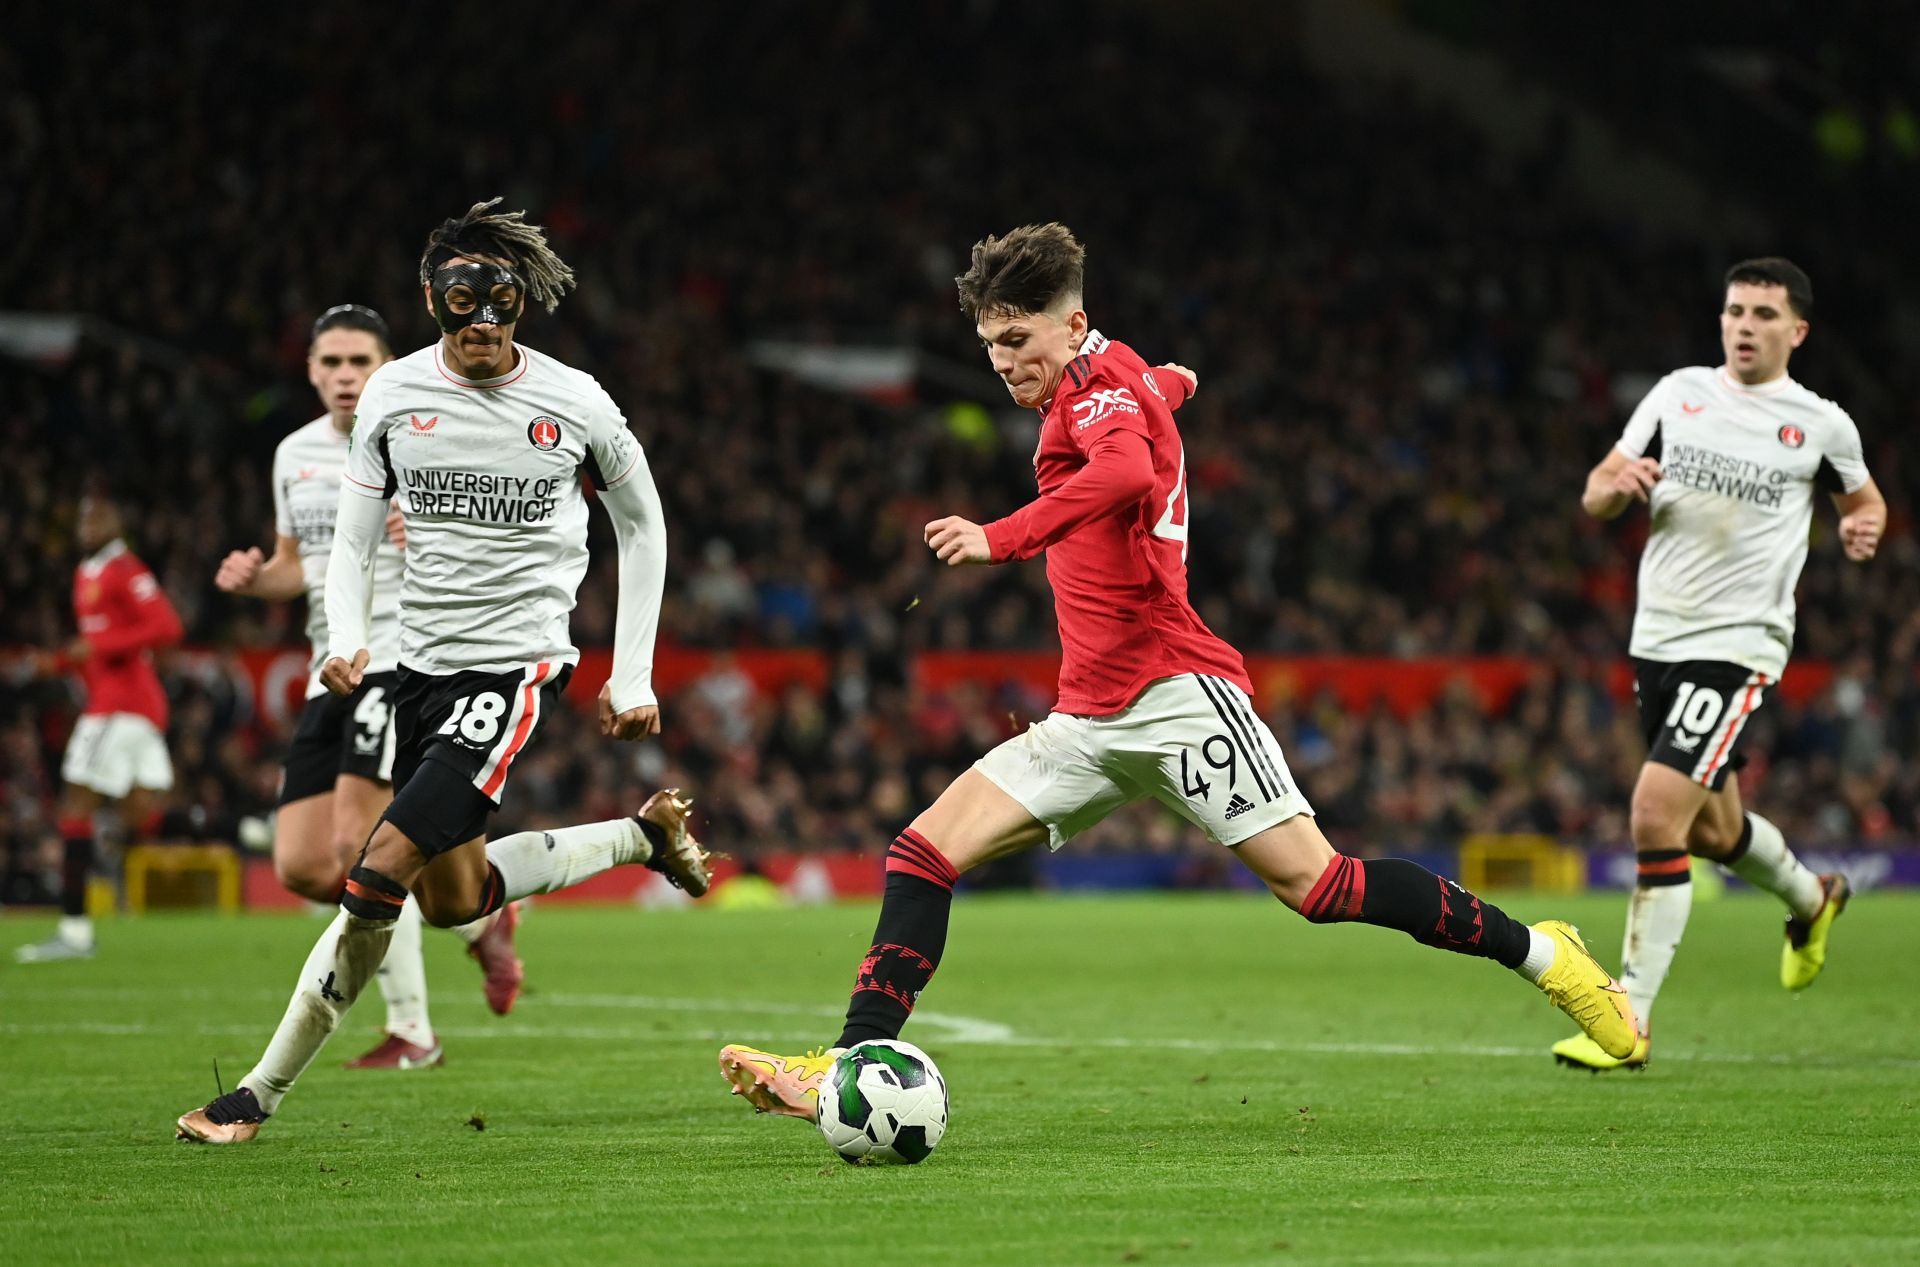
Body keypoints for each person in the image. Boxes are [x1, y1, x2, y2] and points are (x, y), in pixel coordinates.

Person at [717, 223, 1638, 1122]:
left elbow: (1118, 469)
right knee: (922, 853)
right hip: (1088, 718)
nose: (1001, 361)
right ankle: (846, 1062)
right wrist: (1172, 383)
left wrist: (999, 536)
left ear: (1072, 326)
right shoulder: (1107, 379)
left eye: (1017, 339)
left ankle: (1546, 956)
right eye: (989, 343)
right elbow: (1137, 404)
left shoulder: (1090, 400)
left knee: (1320, 887)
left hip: (1176, 693)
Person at [176, 198, 711, 1142]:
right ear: (432, 299)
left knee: (376, 870)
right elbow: (349, 544)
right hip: (410, 669)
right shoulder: (392, 397)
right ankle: (639, 839)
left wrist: (631, 674)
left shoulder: (576, 401)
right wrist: (346, 635)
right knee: (454, 895)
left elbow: (645, 522)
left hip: (509, 675)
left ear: (521, 304)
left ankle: (253, 1095)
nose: (480, 320)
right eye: (461, 298)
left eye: (498, 298)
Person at [1556, 257, 1885, 1071]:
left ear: (1796, 331)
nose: (1744, 325)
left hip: (1739, 644)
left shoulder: (1821, 425)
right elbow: (1596, 489)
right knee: (1713, 829)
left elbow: (1864, 499)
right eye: (1735, 310)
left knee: (1654, 815)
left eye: (1764, 314)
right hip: (1658, 639)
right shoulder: (1678, 394)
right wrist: (1617, 483)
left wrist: (1861, 528)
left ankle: (1626, 1015)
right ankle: (1813, 899)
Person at [213, 303, 515, 1073]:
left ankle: (413, 1030)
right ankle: (484, 922)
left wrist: (442, 531)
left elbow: (499, 534)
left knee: (361, 843)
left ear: (390, 363)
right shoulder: (292, 454)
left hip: (397, 661)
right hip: (331, 668)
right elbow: (301, 562)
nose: (346, 377)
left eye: (360, 361)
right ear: (311, 370)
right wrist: (257, 580)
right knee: (301, 865)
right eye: (331, 363)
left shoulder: (427, 435)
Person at [16, 490, 184, 963]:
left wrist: (102, 646)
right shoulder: (85, 573)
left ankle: (73, 932)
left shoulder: (125, 568)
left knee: (75, 804)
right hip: (129, 706)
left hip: (119, 707)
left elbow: (167, 626)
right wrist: (61, 662)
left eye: (100, 516)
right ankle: (252, 828)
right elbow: (97, 646)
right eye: (83, 517)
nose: (88, 524)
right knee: (142, 809)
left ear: (117, 523)